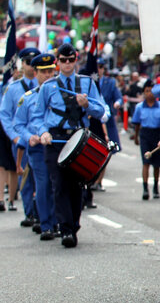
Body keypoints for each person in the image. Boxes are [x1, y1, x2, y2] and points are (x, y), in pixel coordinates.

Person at [26, 43, 109, 247]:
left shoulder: (87, 83)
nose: (67, 64)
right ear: (58, 62)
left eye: (71, 60)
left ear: (76, 60)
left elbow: (102, 111)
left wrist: (87, 104)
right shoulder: (48, 87)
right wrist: (43, 132)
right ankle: (66, 230)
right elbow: (37, 116)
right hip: (56, 140)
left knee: (77, 186)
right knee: (60, 184)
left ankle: (73, 225)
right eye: (63, 60)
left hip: (80, 140)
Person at [17, 53, 57, 239]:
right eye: (43, 72)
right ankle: (46, 224)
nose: (47, 75)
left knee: (58, 184)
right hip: (38, 148)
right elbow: (18, 124)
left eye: (50, 71)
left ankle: (58, 222)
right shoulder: (28, 98)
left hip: (57, 145)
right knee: (43, 185)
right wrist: (29, 137)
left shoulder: (60, 94)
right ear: (36, 73)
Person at [1, 47, 40, 224]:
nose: (31, 66)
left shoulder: (46, 87)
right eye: (28, 63)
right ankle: (29, 212)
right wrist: (15, 137)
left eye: (34, 63)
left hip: (40, 139)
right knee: (24, 177)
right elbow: (5, 115)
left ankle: (41, 213)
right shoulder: (13, 88)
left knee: (41, 178)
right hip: (21, 140)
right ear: (22, 64)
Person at [92, 58, 123, 192]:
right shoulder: (90, 81)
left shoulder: (109, 82)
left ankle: (99, 181)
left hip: (107, 121)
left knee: (106, 151)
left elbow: (118, 97)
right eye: (97, 67)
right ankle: (93, 179)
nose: (99, 69)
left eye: (101, 67)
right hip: (93, 121)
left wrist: (117, 103)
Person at [132, 80, 160, 200]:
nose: (149, 93)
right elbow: (137, 124)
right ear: (143, 93)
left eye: (151, 91)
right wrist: (136, 137)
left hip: (157, 134)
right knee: (146, 162)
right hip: (145, 135)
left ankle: (156, 187)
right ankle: (145, 188)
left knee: (157, 164)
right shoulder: (139, 107)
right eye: (147, 91)